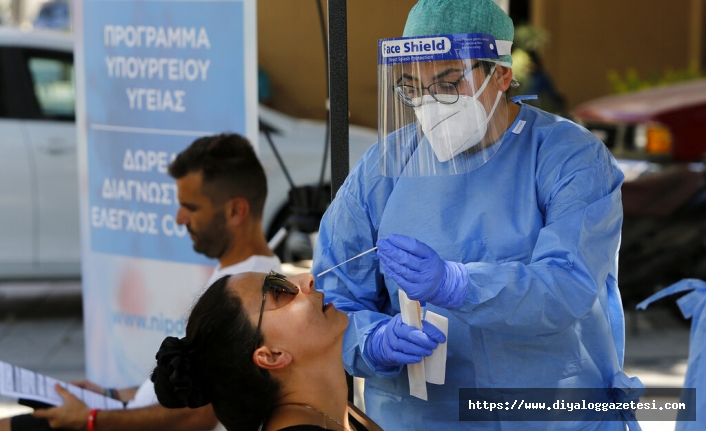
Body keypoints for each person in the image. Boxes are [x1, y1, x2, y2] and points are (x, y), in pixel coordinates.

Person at [312, 0, 644, 430]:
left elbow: (567, 286)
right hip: (418, 418)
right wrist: (372, 342)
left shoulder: (569, 159)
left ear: (502, 74)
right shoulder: (385, 167)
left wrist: (458, 284)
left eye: (449, 82)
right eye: (412, 86)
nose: (430, 102)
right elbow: (332, 297)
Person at [0, 133, 281, 431]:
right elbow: (184, 391)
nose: (179, 218)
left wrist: (92, 420)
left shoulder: (246, 296)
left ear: (235, 210)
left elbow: (202, 414)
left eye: (191, 207)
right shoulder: (237, 276)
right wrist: (110, 395)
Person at [151, 271, 382, 431]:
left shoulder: (338, 411)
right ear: (271, 356)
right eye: (279, 292)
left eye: (281, 280)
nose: (307, 279)